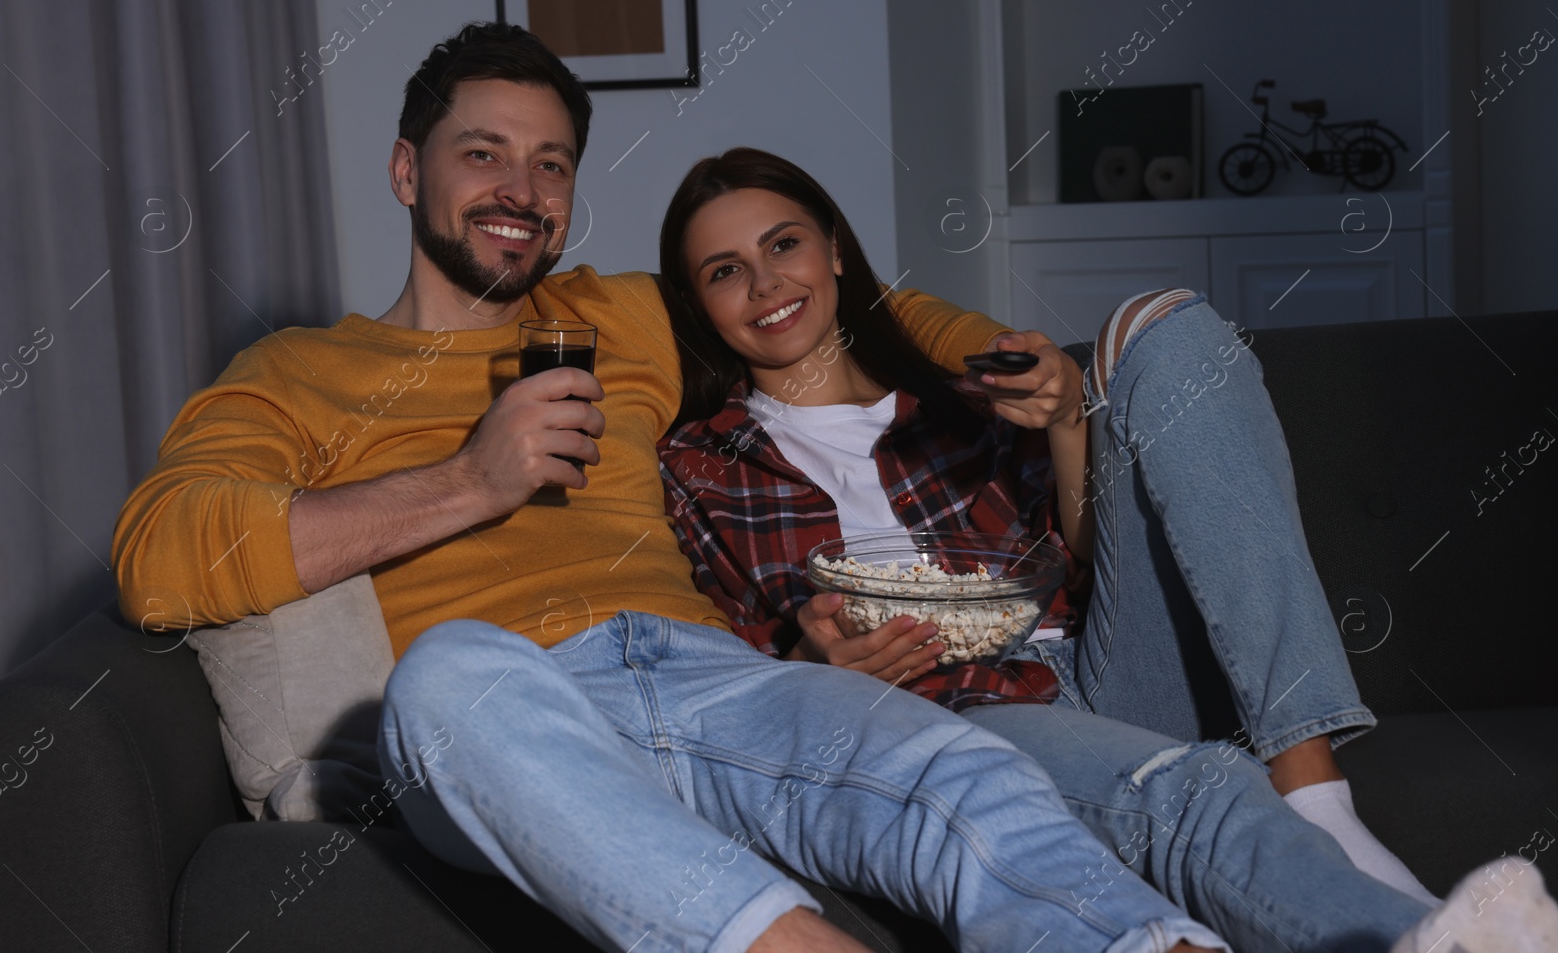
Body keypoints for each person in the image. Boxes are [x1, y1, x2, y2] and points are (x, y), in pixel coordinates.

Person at [115, 22, 1243, 952]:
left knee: (962, 767)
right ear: (408, 169)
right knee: (447, 678)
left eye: (551, 163)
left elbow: (850, 304)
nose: (521, 189)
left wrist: (997, 353)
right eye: (483, 154)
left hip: (712, 679)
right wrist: (471, 478)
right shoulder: (298, 369)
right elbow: (160, 554)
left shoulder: (628, 314)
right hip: (516, 712)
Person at [655, 147, 1558, 953]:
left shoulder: (960, 398)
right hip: (964, 716)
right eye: (725, 270)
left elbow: (1085, 557)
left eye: (784, 245)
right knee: (1198, 788)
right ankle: (1410, 928)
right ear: (700, 303)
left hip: (1104, 665)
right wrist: (813, 660)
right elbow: (722, 660)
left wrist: (1063, 428)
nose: (767, 284)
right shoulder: (702, 461)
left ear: (836, 253)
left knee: (1164, 324)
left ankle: (1316, 789)